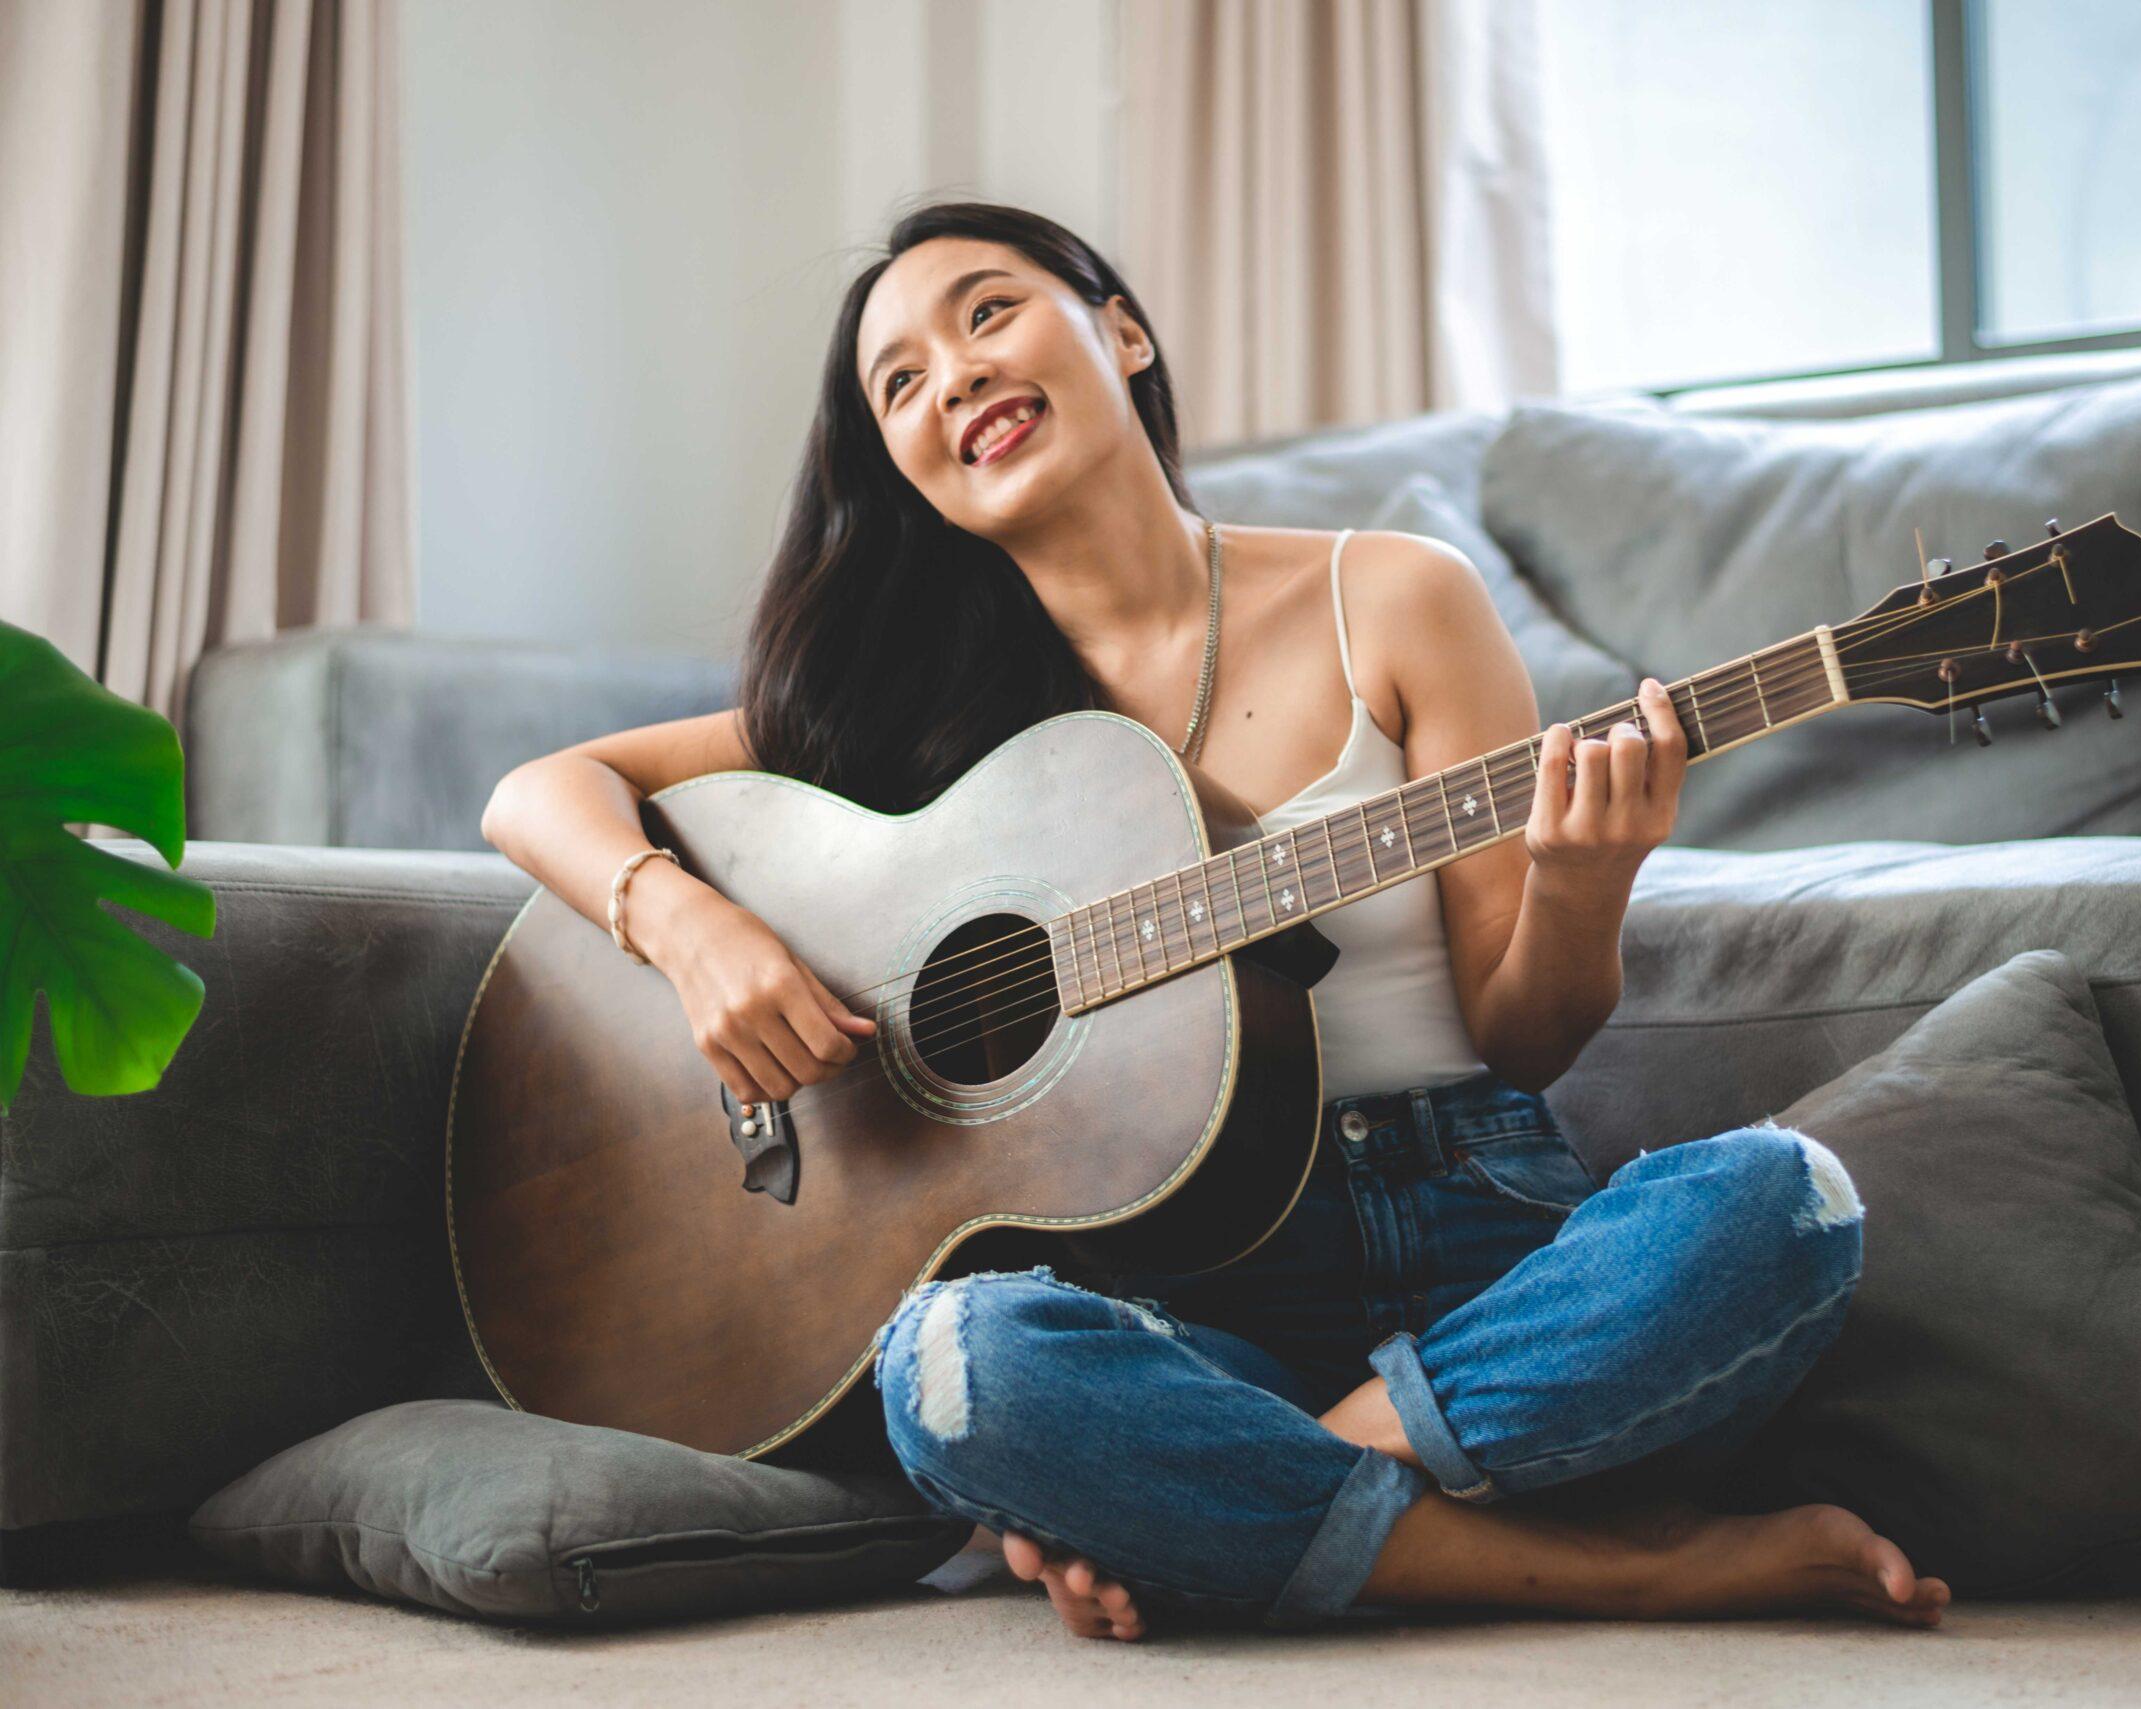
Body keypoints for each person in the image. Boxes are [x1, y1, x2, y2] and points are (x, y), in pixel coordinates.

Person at [480, 199, 1953, 1642]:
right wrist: (685, 925)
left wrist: (1579, 879)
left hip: (1484, 1228)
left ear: (1119, 330)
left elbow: (1527, 1035)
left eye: (989, 310)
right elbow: (539, 793)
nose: (957, 377)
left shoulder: (1391, 596)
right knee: (957, 1361)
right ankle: (1625, 1570)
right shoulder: (903, 719)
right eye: (902, 383)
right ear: (906, 473)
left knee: (1782, 1200)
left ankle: (1254, 1498)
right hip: (1186, 1281)